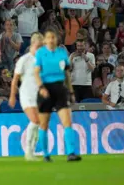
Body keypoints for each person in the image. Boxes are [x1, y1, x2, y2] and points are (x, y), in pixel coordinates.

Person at [34, 30, 82, 162]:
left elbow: (67, 74)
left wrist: (71, 91)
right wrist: (41, 88)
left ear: (57, 39)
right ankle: (45, 154)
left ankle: (71, 153)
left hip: (60, 89)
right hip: (46, 89)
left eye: (53, 37)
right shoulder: (40, 53)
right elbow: (36, 73)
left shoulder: (62, 53)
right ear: (44, 40)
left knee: (67, 122)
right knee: (44, 124)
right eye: (48, 37)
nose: (51, 40)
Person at [9, 32, 44, 161]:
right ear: (33, 44)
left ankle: (32, 151)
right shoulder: (24, 59)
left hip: (38, 95)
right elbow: (15, 79)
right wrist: (12, 96)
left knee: (37, 123)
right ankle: (28, 152)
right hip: (26, 94)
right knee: (35, 121)